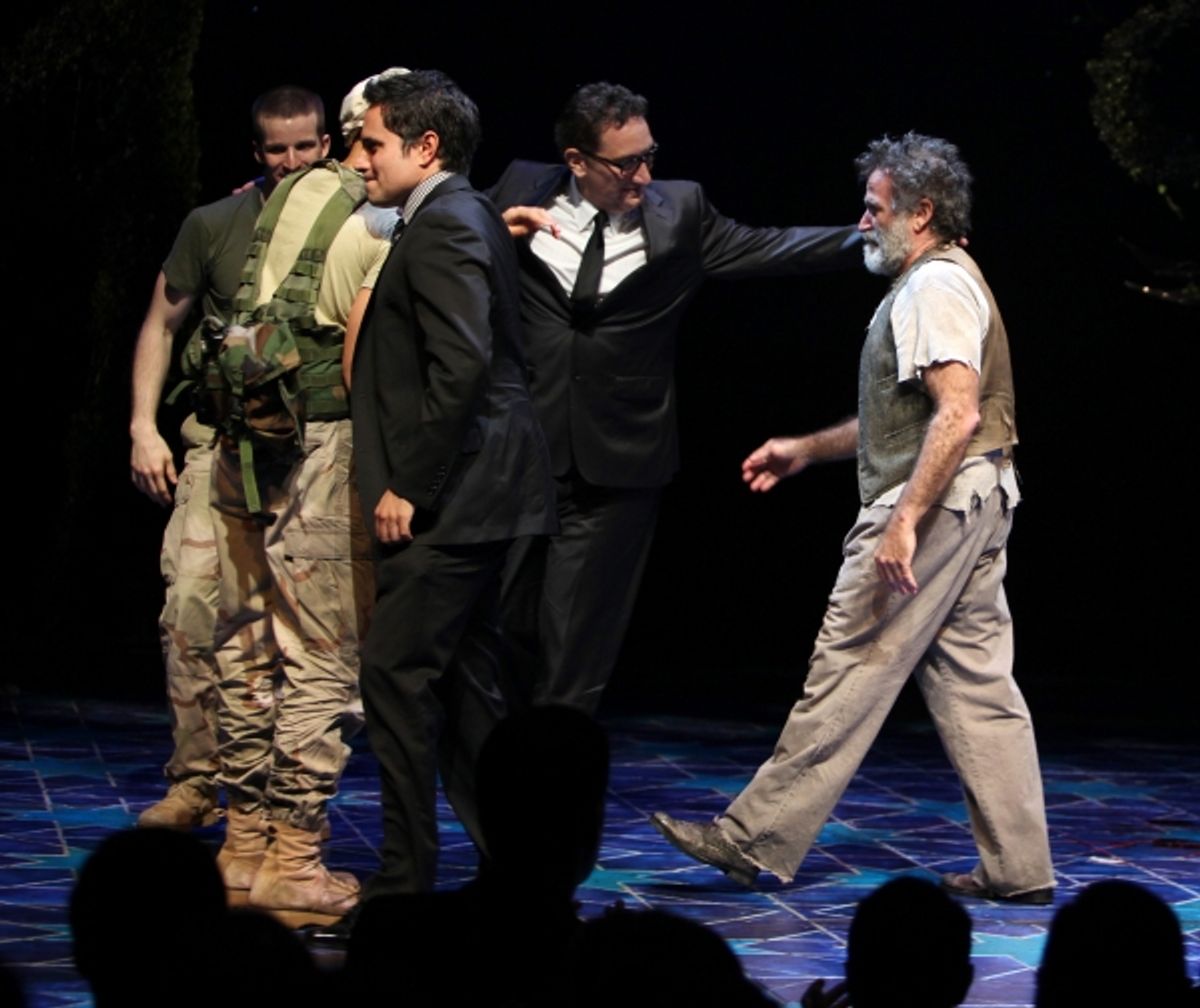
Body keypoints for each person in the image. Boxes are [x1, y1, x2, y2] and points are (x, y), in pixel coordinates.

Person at [651, 133, 1055, 904]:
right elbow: (903, 421)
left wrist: (904, 521)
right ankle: (1019, 867)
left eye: (874, 209)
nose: (863, 223)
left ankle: (752, 838)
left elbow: (956, 413)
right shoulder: (940, 280)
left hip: (937, 505)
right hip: (979, 499)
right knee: (979, 687)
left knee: (849, 664)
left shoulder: (932, 288)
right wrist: (805, 447)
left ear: (921, 211)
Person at [488, 82, 861, 715]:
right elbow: (444, 260)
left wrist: (875, 242)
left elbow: (773, 247)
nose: (644, 174)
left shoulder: (679, 211)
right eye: (625, 162)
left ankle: (554, 788)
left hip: (618, 461)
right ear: (577, 161)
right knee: (500, 629)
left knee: (576, 649)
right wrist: (494, 233)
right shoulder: (520, 188)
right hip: (521, 452)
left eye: (649, 154)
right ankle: (499, 781)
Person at [350, 69, 555, 895]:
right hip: (484, 491)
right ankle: (514, 875)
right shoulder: (453, 218)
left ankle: (405, 887)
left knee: (394, 679)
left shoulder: (444, 225)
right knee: (468, 692)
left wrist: (412, 484)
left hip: (457, 496)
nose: (358, 160)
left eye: (371, 144)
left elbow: (465, 362)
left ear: (423, 146)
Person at [207, 74, 394, 921]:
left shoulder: (287, 198)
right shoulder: (370, 215)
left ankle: (244, 849)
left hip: (252, 444)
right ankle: (294, 861)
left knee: (253, 654)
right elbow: (363, 351)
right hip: (320, 447)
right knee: (323, 661)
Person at [129, 86, 330, 829]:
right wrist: (142, 426)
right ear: (256, 152)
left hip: (311, 448)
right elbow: (161, 320)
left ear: (326, 145)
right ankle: (195, 780)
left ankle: (276, 796)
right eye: (277, 149)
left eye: (305, 146)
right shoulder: (215, 223)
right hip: (220, 442)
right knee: (189, 603)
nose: (291, 161)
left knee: (296, 630)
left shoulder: (351, 222)